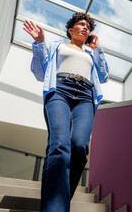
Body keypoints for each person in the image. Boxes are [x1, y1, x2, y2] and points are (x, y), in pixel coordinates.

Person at [23, 12, 109, 212]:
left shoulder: (90, 53)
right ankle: (55, 208)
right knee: (59, 146)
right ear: (70, 30)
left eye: (88, 26)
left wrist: (97, 50)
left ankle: (61, 199)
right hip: (60, 90)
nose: (85, 27)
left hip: (86, 96)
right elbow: (39, 72)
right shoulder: (57, 46)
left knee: (79, 146)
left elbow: (103, 77)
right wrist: (39, 42)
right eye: (81, 24)